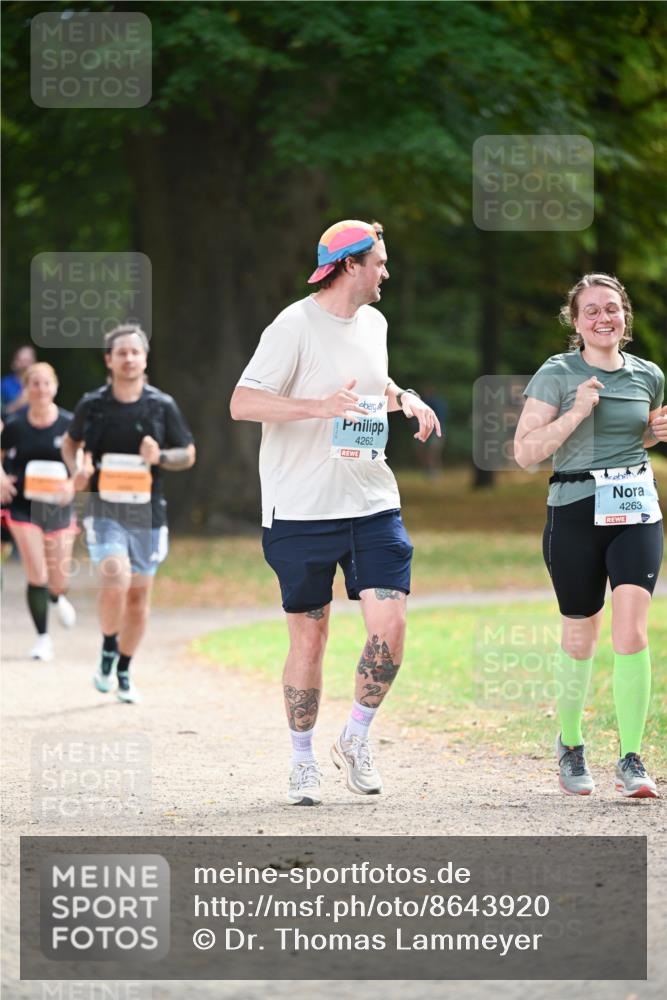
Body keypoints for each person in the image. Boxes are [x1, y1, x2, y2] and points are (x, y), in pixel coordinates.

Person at [230, 219, 441, 805]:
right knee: (310, 638)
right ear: (351, 265)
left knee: (390, 625)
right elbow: (242, 401)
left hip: (372, 501)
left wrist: (407, 398)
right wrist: (316, 407)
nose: (386, 272)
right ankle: (302, 762)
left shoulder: (374, 322)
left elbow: (376, 382)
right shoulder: (293, 325)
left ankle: (355, 737)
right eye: (379, 261)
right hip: (301, 509)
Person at [514, 273, 665, 799]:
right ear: (576, 322)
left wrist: (657, 434)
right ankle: (572, 745)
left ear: (625, 317)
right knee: (581, 632)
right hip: (574, 511)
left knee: (632, 630)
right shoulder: (557, 374)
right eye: (592, 311)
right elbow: (526, 452)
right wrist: (577, 410)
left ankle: (631, 757)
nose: (604, 318)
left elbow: (640, 433)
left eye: (613, 309)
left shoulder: (649, 374)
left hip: (636, 509)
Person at [61, 325, 196, 704]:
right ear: (109, 360)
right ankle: (108, 646)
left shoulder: (161, 405)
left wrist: (161, 457)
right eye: (121, 353)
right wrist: (78, 470)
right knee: (114, 573)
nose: (128, 358)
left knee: (138, 599)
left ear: (145, 358)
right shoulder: (93, 404)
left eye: (135, 352)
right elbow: (71, 443)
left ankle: (122, 668)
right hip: (105, 509)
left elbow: (187, 453)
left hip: (148, 514)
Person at [0, 363, 81, 660]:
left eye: (46, 383)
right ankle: (42, 638)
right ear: (26, 389)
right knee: (36, 572)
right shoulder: (15, 425)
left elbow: (81, 465)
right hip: (22, 505)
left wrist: (72, 484)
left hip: (58, 507)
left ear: (55, 387)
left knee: (58, 578)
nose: (41, 389)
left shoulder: (69, 425)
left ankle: (56, 596)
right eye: (34, 384)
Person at [1, 345, 37, 417]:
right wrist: (19, 403)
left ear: (34, 362)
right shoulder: (4, 384)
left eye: (28, 361)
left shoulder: (41, 383)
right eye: (22, 361)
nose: (25, 365)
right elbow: (2, 413)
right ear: (15, 362)